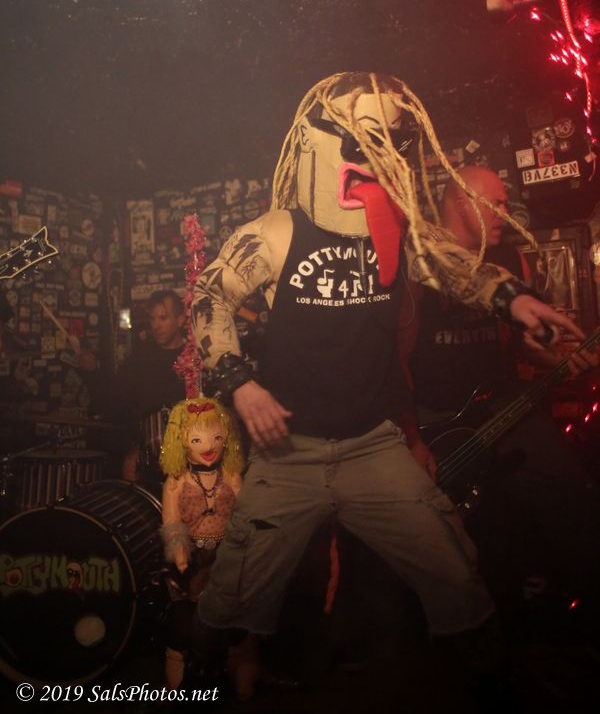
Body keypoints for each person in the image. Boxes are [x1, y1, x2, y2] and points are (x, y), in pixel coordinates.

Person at [190, 72, 584, 698]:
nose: (377, 154)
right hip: (288, 453)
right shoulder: (277, 232)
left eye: (388, 140)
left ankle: (497, 688)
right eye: (363, 136)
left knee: (455, 571)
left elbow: (454, 267)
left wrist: (514, 300)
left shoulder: (391, 230)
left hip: (373, 447)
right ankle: (194, 681)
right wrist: (239, 384)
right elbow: (210, 296)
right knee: (229, 599)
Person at [403, 165, 599, 622]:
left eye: (507, 204)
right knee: (473, 535)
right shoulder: (420, 263)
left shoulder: (511, 260)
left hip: (503, 404)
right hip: (439, 419)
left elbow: (525, 344)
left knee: (569, 488)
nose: (506, 214)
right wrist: (410, 435)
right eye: (495, 204)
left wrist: (550, 355)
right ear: (460, 203)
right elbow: (397, 355)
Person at [159, 395, 245, 692]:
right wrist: (179, 550)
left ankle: (239, 664)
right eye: (196, 440)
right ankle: (177, 675)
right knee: (183, 621)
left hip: (227, 555)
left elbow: (244, 513)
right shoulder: (176, 481)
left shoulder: (231, 475)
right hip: (193, 559)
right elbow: (171, 521)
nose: (209, 447)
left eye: (217, 438)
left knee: (235, 619)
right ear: (181, 442)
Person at [81, 289, 186, 479]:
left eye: (163, 318)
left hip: (190, 459)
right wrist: (93, 372)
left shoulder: (193, 357)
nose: (156, 325)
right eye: (152, 319)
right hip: (149, 461)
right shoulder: (140, 359)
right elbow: (114, 403)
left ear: (180, 320)